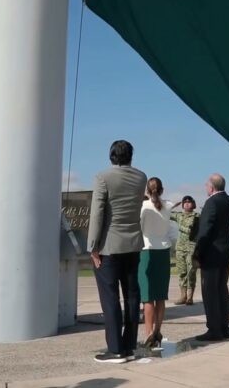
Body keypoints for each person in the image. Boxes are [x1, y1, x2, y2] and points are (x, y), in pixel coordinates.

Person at [87, 140, 147, 363]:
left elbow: (97, 214)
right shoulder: (141, 177)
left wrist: (93, 246)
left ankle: (115, 349)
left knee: (110, 298)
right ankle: (130, 345)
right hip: (133, 244)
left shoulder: (103, 177)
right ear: (131, 155)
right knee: (132, 295)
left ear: (111, 155)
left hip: (109, 246)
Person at [193, 173, 229, 341]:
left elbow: (205, 230)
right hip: (225, 252)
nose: (205, 187)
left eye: (206, 185)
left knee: (210, 293)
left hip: (212, 254)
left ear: (211, 187)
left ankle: (214, 329)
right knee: (221, 291)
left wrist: (197, 252)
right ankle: (224, 327)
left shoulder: (211, 202)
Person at [139, 177, 174, 349]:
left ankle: (148, 333)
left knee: (147, 297)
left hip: (147, 250)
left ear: (147, 189)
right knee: (160, 296)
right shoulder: (168, 205)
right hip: (163, 251)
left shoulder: (144, 207)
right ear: (162, 189)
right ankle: (158, 330)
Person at [170, 195, 200, 305]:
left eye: (189, 202)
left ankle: (190, 297)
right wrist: (172, 206)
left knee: (191, 273)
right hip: (180, 249)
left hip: (191, 248)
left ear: (193, 204)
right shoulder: (179, 215)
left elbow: (190, 229)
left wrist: (181, 227)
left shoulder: (197, 216)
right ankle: (183, 296)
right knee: (182, 273)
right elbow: (165, 213)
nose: (187, 203)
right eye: (185, 202)